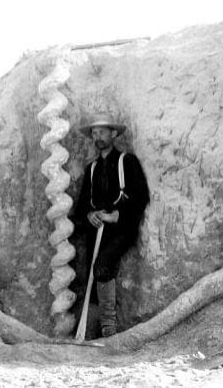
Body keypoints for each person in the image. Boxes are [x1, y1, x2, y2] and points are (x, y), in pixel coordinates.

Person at [71, 113, 150, 337]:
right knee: (92, 276)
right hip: (97, 233)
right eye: (94, 133)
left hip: (121, 229)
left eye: (102, 132)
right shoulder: (92, 168)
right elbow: (82, 206)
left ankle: (110, 332)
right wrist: (90, 216)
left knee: (103, 264)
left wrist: (117, 215)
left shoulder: (127, 161)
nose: (98, 137)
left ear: (113, 134)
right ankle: (92, 332)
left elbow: (141, 196)